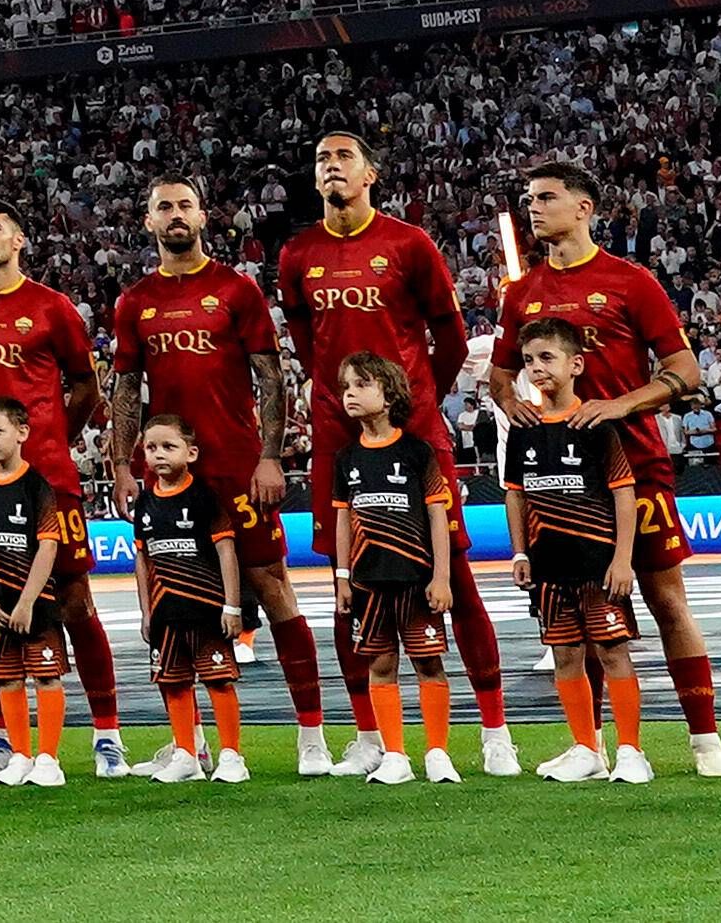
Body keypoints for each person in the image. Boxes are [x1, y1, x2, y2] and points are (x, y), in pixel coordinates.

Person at [277, 130, 510, 773]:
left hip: (416, 435)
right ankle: (371, 738)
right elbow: (305, 342)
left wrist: (416, 401)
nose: (330, 166)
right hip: (336, 436)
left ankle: (494, 732)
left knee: (454, 578)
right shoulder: (298, 253)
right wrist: (340, 400)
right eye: (321, 157)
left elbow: (451, 335)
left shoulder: (409, 244)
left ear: (371, 173)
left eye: (343, 156)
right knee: (348, 586)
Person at [502, 159, 721, 772]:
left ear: (584, 208)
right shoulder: (520, 293)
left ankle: (705, 739)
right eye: (529, 198)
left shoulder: (630, 281)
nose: (533, 207)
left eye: (546, 197)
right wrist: (511, 405)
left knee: (665, 598)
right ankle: (592, 747)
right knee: (575, 614)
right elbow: (502, 373)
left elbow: (685, 372)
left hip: (634, 463)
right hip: (558, 479)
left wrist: (620, 405)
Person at [110, 171, 329, 771]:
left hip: (235, 466)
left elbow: (271, 377)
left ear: (204, 217)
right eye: (164, 207)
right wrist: (123, 468)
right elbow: (125, 391)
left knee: (272, 588)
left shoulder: (237, 291)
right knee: (170, 599)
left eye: (185, 205)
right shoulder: (134, 301)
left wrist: (270, 455)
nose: (175, 215)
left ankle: (312, 735)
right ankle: (192, 744)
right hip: (164, 474)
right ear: (149, 221)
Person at [0, 202, 122, 777]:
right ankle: (4, 738)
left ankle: (107, 736)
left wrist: (52, 436)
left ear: (19, 239)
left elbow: (87, 384)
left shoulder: (51, 307)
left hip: (48, 480)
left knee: (74, 601)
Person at [497, 318, 647, 784]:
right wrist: (520, 554)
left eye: (547, 357)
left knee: (613, 651)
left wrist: (622, 559)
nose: (537, 368)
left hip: (597, 564)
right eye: (527, 361)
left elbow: (625, 493)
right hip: (547, 565)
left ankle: (630, 750)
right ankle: (585, 747)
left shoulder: (596, 424)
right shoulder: (522, 429)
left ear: (575, 363)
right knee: (565, 656)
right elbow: (516, 495)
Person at [318, 351, 449, 788]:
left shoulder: (417, 451)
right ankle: (395, 754)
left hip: (416, 578)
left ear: (389, 394)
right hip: (368, 583)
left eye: (360, 385)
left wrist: (442, 576)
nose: (349, 394)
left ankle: (437, 752)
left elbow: (436, 516)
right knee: (380, 665)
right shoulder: (347, 457)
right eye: (346, 387)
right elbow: (342, 518)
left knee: (429, 663)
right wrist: (341, 577)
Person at [0, 395, 77, 789]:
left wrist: (26, 601)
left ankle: (49, 759)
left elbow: (49, 546)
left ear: (22, 433)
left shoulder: (37, 486)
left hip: (35, 605)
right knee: (7, 680)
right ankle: (20, 755)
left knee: (45, 676)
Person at [120, 412, 248, 783]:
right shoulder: (144, 504)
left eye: (168, 447)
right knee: (173, 683)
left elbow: (226, 552)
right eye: (151, 447)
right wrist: (146, 611)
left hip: (207, 610)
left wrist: (232, 605)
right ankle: (186, 754)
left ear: (190, 453)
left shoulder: (205, 498)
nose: (159, 454)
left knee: (218, 682)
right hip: (165, 613)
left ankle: (231, 755)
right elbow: (142, 560)